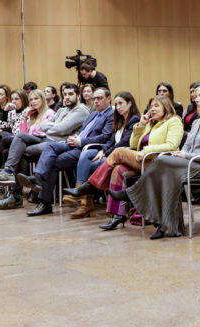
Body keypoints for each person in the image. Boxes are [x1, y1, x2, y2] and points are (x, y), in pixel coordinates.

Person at [112, 85, 200, 239]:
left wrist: (186, 155)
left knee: (162, 161)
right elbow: (186, 146)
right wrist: (180, 154)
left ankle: (133, 194)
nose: (196, 99)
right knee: (167, 175)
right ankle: (166, 225)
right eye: (196, 96)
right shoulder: (196, 123)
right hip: (189, 165)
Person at [65, 95, 182, 229]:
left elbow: (172, 145)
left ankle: (89, 186)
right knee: (118, 169)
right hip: (142, 160)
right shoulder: (151, 123)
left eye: (156, 106)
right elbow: (134, 144)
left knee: (119, 152)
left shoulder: (174, 121)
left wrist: (147, 150)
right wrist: (141, 125)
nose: (152, 109)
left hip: (159, 163)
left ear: (166, 107)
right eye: (151, 106)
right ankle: (117, 215)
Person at [25, 88, 115, 217]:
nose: (96, 101)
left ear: (108, 99)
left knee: (52, 162)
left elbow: (104, 137)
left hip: (87, 149)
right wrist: (74, 137)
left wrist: (81, 141)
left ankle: (44, 202)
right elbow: (82, 130)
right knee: (50, 146)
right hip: (75, 144)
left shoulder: (111, 114)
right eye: (94, 98)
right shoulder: (93, 114)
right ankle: (38, 177)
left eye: (99, 98)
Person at [63, 91, 140, 219]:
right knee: (87, 154)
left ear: (130, 103)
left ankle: (83, 195)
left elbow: (124, 142)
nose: (118, 107)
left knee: (91, 164)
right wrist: (103, 151)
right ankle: (81, 192)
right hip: (112, 152)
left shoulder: (134, 119)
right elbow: (111, 140)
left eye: (121, 103)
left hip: (123, 155)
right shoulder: (120, 119)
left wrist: (106, 152)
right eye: (116, 104)